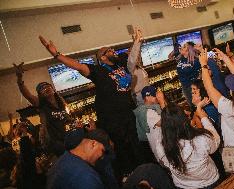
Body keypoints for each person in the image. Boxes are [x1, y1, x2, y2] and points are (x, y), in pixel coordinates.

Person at [39, 36, 141, 177]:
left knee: (136, 146)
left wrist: (136, 41)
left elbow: (133, 55)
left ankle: (142, 172)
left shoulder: (121, 63)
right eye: (109, 51)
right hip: (112, 120)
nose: (113, 51)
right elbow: (77, 65)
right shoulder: (98, 71)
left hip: (128, 114)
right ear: (103, 58)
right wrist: (56, 54)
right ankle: (128, 176)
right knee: (121, 152)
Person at [149, 102, 220, 189]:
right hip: (209, 182)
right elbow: (216, 142)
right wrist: (204, 118)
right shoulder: (201, 139)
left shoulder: (161, 146)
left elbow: (166, 164)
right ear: (185, 119)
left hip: (183, 185)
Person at [14, 62, 71, 156]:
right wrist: (19, 78)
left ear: (53, 89)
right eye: (42, 89)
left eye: (47, 86)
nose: (46, 89)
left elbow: (67, 117)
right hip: (56, 142)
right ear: (40, 95)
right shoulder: (41, 104)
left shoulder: (60, 101)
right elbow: (27, 94)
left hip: (69, 137)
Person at [133, 86, 166, 163]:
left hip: (163, 145)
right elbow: (166, 122)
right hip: (160, 149)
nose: (156, 97)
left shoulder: (154, 107)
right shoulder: (147, 112)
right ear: (147, 97)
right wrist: (162, 101)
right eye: (154, 95)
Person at [127, 28, 150, 105]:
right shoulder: (130, 68)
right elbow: (133, 57)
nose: (138, 55)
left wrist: (137, 40)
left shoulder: (139, 66)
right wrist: (136, 40)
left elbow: (137, 53)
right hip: (140, 97)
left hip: (147, 95)